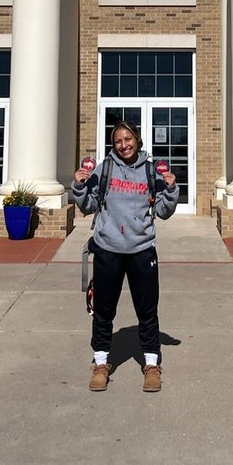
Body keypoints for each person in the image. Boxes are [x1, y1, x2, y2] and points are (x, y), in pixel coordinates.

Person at [72, 120, 179, 392]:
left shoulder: (149, 169)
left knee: (147, 310)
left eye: (128, 139)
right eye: (118, 140)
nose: (124, 145)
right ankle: (100, 364)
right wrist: (79, 186)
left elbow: (164, 212)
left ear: (138, 139)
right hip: (108, 250)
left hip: (142, 251)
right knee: (104, 311)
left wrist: (170, 189)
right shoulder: (104, 169)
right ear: (113, 144)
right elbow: (88, 206)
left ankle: (152, 365)